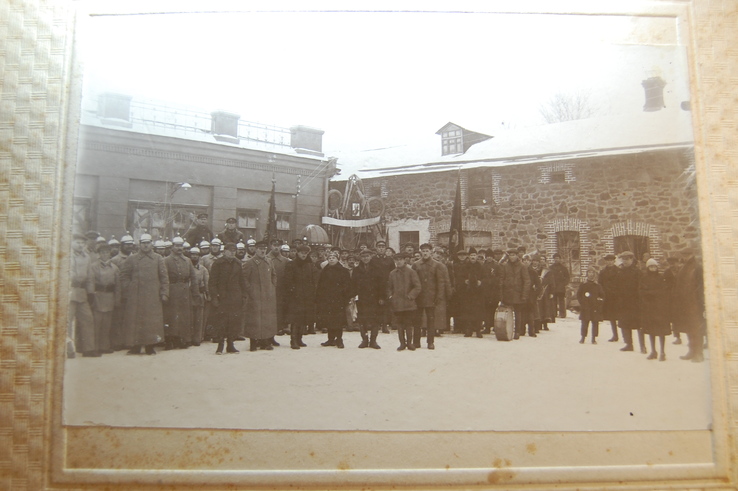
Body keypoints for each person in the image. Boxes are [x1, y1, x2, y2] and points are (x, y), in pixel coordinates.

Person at [119, 233, 169, 355]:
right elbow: (124, 275)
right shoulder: (132, 259)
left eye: (148, 243)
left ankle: (150, 347)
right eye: (143, 243)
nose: (146, 246)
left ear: (151, 244)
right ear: (139, 245)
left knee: (151, 321)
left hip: (153, 296)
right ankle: (135, 346)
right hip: (135, 296)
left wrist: (164, 293)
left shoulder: (158, 259)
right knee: (135, 321)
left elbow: (164, 278)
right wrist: (129, 289)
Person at [209, 243, 246, 354]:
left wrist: (243, 295)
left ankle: (231, 345)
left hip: (235, 297)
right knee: (222, 321)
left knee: (234, 322)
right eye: (230, 250)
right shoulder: (218, 263)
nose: (232, 252)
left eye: (234, 250)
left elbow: (242, 281)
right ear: (224, 251)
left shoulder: (238, 263)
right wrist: (214, 297)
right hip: (222, 297)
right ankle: (220, 346)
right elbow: (212, 282)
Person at [163, 236, 198, 350]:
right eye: (176, 246)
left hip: (184, 291)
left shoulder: (187, 261)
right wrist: (166, 293)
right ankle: (170, 340)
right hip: (172, 290)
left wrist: (195, 292)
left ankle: (182, 339)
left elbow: (193, 277)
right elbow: (164, 278)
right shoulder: (166, 261)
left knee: (184, 316)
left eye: (180, 246)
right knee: (171, 316)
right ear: (172, 247)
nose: (179, 248)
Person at [242, 241, 278, 351]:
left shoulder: (269, 261)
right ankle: (253, 342)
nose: (263, 251)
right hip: (255, 296)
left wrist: (272, 287)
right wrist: (250, 290)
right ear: (255, 249)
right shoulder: (250, 263)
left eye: (264, 249)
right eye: (260, 249)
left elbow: (274, 275)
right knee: (255, 320)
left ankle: (265, 342)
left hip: (268, 295)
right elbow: (244, 278)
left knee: (267, 319)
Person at [673, 249, 706, 362]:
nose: (685, 257)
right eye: (683, 254)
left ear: (692, 254)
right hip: (684, 303)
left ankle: (699, 353)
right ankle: (691, 351)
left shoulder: (697, 267)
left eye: (687, 254)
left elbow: (701, 286)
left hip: (695, 304)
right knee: (688, 328)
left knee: (696, 328)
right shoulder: (684, 267)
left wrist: (700, 303)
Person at [284, 245, 319, 349]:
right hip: (295, 296)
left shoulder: (310, 265)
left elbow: (314, 279)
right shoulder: (291, 264)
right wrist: (293, 291)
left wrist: (312, 291)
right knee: (295, 319)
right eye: (301, 253)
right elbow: (288, 281)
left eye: (306, 253)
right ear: (297, 253)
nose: (304, 255)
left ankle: (299, 339)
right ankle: (293, 340)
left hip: (307, 296)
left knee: (303, 318)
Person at [89, 242, 121, 354]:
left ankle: (105, 346)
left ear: (110, 254)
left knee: (107, 324)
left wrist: (117, 299)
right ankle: (95, 347)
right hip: (98, 296)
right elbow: (91, 283)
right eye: (102, 252)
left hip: (110, 297)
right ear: (99, 254)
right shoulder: (93, 267)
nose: (105, 255)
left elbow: (118, 286)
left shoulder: (115, 268)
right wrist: (92, 297)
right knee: (97, 323)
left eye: (107, 252)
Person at [411, 243, 445, 349]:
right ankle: (416, 342)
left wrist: (439, 296)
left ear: (431, 252)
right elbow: (412, 282)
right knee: (417, 320)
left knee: (431, 320)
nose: (425, 253)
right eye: (423, 251)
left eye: (427, 251)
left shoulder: (437, 265)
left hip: (431, 296)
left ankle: (430, 342)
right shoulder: (416, 265)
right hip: (419, 296)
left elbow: (440, 282)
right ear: (420, 252)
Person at [68, 233, 97, 357]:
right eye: (77, 243)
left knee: (87, 319)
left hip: (82, 292)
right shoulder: (67, 255)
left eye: (82, 243)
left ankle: (88, 349)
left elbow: (90, 276)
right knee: (67, 321)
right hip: (69, 291)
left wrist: (90, 292)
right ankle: (68, 349)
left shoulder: (87, 257)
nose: (80, 245)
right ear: (72, 242)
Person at [316, 251, 352, 348]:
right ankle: (330, 339)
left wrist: (345, 296)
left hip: (339, 299)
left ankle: (339, 339)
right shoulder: (325, 271)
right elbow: (320, 285)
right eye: (329, 258)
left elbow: (347, 285)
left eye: (333, 258)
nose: (331, 259)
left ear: (337, 259)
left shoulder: (343, 271)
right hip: (327, 299)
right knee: (329, 319)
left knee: (338, 320)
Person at [387, 253, 421, 351]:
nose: (398, 261)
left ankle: (409, 343)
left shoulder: (411, 272)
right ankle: (402, 343)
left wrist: (411, 296)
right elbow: (389, 287)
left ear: (405, 260)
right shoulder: (392, 273)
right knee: (399, 324)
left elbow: (417, 286)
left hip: (408, 303)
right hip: (397, 303)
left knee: (408, 324)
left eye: (400, 259)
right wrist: (391, 296)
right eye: (396, 260)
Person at [353, 249, 384, 349]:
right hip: (361, 298)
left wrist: (381, 297)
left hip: (374, 298)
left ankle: (373, 341)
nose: (365, 258)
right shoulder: (357, 270)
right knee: (362, 320)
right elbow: (353, 284)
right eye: (363, 257)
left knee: (375, 319)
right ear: (360, 258)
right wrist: (354, 295)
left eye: (367, 256)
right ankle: (364, 340)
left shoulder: (378, 268)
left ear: (371, 257)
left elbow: (382, 284)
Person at [640, 258, 670, 361]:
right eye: (651, 267)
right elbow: (642, 291)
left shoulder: (661, 278)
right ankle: (653, 351)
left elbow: (664, 291)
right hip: (649, 308)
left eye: (654, 266)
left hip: (660, 309)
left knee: (661, 332)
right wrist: (648, 297)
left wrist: (652, 293)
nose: (653, 268)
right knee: (651, 331)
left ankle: (662, 352)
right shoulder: (644, 278)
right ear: (648, 268)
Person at [109, 233, 135, 350]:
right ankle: (117, 342)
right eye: (127, 245)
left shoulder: (135, 258)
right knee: (118, 319)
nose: (129, 247)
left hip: (133, 294)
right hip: (120, 293)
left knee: (131, 319)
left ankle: (129, 341)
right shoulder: (114, 260)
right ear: (122, 246)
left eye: (131, 245)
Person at [499, 248, 531, 340]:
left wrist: (524, 295)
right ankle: (506, 330)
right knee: (506, 313)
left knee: (518, 313)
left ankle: (517, 331)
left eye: (513, 255)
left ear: (517, 256)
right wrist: (501, 294)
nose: (512, 257)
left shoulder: (522, 266)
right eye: (510, 255)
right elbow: (501, 280)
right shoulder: (505, 266)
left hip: (518, 293)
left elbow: (527, 281)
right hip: (507, 293)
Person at [616, 251, 644, 353]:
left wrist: (639, 300)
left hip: (635, 302)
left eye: (627, 259)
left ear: (632, 259)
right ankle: (628, 344)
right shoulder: (619, 271)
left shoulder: (637, 272)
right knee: (624, 324)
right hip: (623, 302)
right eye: (623, 259)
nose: (625, 261)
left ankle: (642, 346)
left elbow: (640, 287)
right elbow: (617, 287)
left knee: (639, 324)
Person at [371, 240, 395, 333]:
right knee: (376, 306)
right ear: (376, 248)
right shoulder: (373, 260)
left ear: (385, 248)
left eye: (383, 247)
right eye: (379, 246)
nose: (381, 248)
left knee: (386, 307)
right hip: (375, 286)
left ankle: (385, 325)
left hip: (386, 285)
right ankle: (376, 325)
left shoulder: (390, 260)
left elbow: (393, 272)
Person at [577, 269, 604, 344]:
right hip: (586, 307)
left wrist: (599, 302)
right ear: (587, 274)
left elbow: (602, 295)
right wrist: (582, 303)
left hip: (595, 307)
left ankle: (593, 338)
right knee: (585, 322)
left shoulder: (598, 285)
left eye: (592, 272)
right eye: (589, 272)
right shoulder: (583, 285)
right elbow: (579, 295)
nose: (591, 274)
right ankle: (583, 337)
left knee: (595, 323)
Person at [189, 246, 209, 346]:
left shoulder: (203, 269)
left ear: (199, 256)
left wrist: (207, 293)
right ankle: (188, 338)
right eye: (192, 255)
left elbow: (206, 283)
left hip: (199, 295)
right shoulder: (187, 267)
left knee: (199, 318)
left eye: (196, 255)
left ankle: (197, 338)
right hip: (189, 294)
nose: (194, 257)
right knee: (189, 317)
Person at [599, 254, 620, 342]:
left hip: (617, 296)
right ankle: (615, 335)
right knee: (612, 317)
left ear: (614, 261)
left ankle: (626, 336)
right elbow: (600, 284)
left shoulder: (619, 271)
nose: (609, 262)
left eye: (611, 260)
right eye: (608, 260)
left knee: (621, 316)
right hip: (608, 296)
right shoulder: (603, 272)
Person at [538, 256, 556, 331]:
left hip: (546, 291)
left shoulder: (549, 271)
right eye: (541, 260)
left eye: (543, 260)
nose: (542, 261)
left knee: (546, 308)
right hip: (538, 291)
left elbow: (552, 281)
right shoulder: (537, 270)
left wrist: (551, 292)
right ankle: (539, 324)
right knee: (539, 308)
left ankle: (545, 324)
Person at [550, 253, 570, 318]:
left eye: (557, 258)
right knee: (553, 300)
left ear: (560, 259)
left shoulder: (563, 268)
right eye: (555, 258)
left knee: (561, 300)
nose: (556, 260)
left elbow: (567, 277)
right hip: (553, 286)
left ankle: (562, 314)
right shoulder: (551, 268)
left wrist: (564, 284)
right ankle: (554, 313)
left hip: (561, 287)